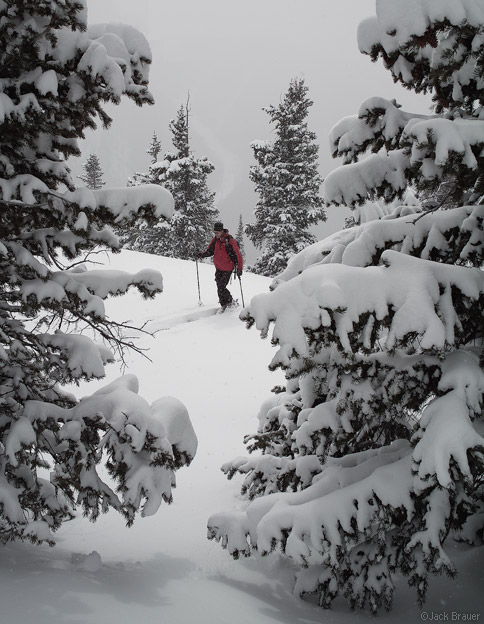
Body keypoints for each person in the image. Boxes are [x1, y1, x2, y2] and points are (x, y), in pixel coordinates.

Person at [198, 222, 243, 310]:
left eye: (217, 232)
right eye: (214, 232)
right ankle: (224, 305)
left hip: (227, 268)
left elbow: (238, 256)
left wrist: (239, 269)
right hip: (218, 268)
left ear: (222, 231)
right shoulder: (215, 240)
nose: (215, 234)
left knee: (221, 287)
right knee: (219, 287)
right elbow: (210, 251)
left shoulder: (230, 241)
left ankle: (230, 302)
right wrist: (200, 255)